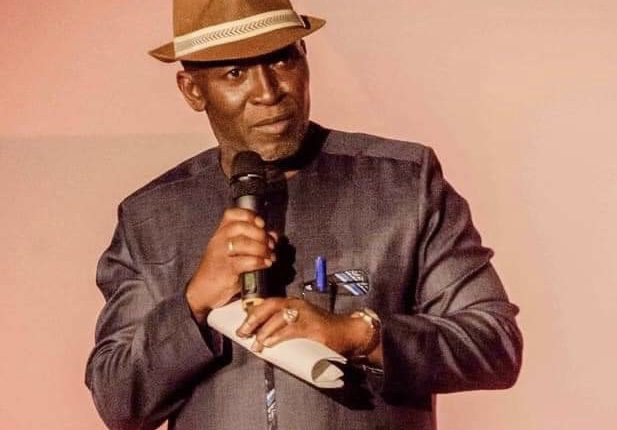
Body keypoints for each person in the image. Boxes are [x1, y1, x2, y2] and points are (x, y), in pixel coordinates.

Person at [85, 1, 523, 429]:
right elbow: (118, 403)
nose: (268, 92)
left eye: (282, 60)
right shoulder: (151, 218)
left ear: (305, 56)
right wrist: (193, 303)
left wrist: (357, 334)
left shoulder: (404, 184)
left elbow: (495, 345)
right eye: (235, 73)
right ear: (192, 90)